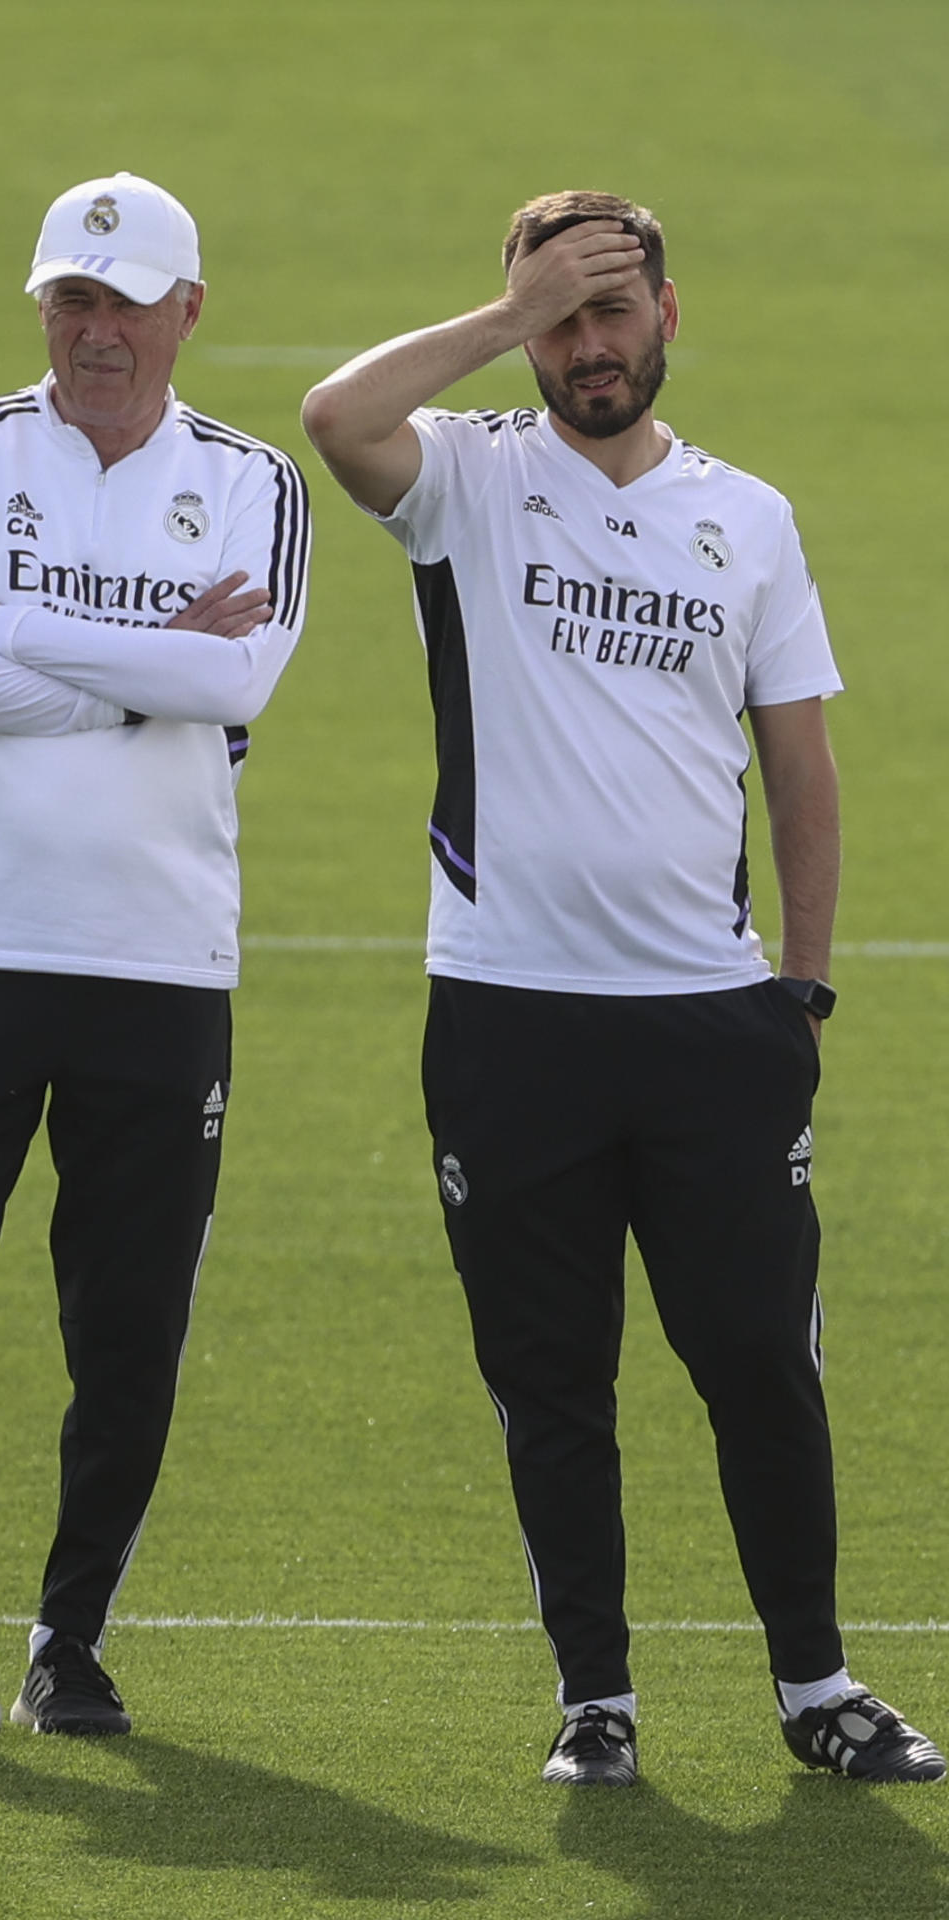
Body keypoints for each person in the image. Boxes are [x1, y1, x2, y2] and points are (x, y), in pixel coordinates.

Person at [301, 190, 942, 1787]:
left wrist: (801, 989)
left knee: (758, 1371)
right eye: (562, 318)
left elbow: (800, 763)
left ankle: (819, 1689)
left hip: (714, 1029)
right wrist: (503, 314)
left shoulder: (753, 517)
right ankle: (598, 1702)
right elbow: (334, 417)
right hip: (508, 1017)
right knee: (550, 1382)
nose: (591, 349)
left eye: (613, 312)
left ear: (670, 318)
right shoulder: (464, 481)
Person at [0, 172, 310, 1743]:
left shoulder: (252, 482)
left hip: (163, 964)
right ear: (45, 308)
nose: (95, 331)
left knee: (131, 1318)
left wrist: (12, 628)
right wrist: (146, 666)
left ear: (187, 312)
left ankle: (69, 1643)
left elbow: (244, 678)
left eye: (125, 302)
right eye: (70, 302)